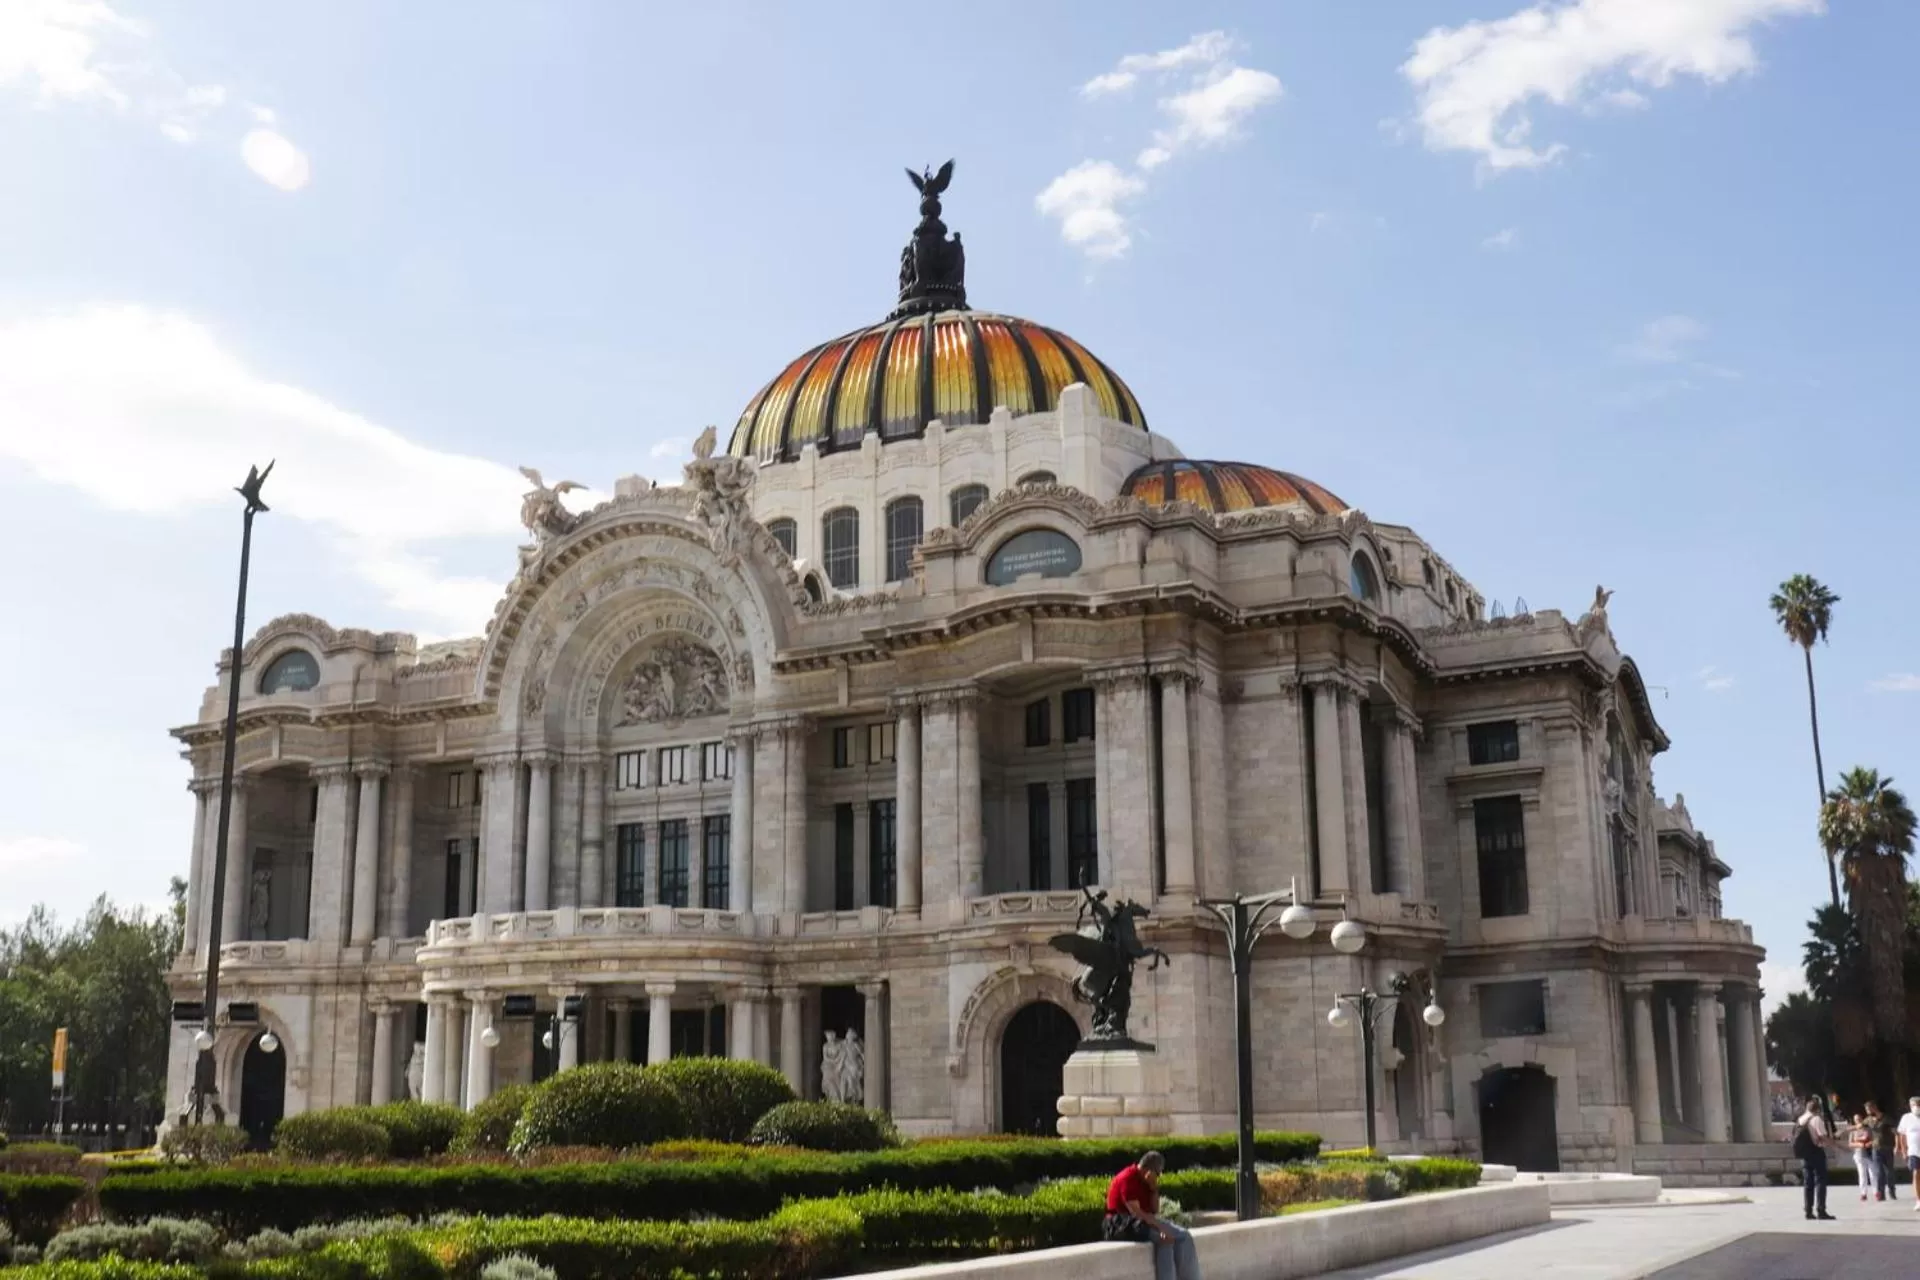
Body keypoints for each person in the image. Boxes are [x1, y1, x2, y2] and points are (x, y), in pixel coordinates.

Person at [1105, 1151, 1203, 1280]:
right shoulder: (1127, 1178)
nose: (1157, 1177)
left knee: (1184, 1235)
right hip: (1122, 1225)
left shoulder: (1146, 1182)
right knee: (1164, 1238)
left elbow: (1154, 1210)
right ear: (1149, 1170)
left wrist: (1153, 1188)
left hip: (1141, 1223)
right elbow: (1136, 1213)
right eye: (1157, 1174)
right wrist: (1161, 1227)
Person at [1793, 1096, 1835, 1221]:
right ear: (1818, 1109)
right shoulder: (1816, 1119)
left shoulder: (1800, 1119)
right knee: (1820, 1181)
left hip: (1804, 1154)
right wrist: (1833, 1144)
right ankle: (1821, 1210)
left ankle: (1808, 1210)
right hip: (1816, 1152)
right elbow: (1822, 1136)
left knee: (1808, 1182)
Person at [1865, 1101, 1896, 1201]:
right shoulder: (1869, 1119)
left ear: (1874, 1108)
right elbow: (1858, 1126)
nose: (1867, 1112)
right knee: (1879, 1172)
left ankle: (1892, 1191)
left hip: (1887, 1147)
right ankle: (1880, 1193)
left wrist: (1898, 1145)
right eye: (1866, 1110)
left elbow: (1895, 1131)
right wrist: (1844, 1131)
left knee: (1889, 1171)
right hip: (1876, 1148)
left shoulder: (1886, 1118)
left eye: (1869, 1109)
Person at [1897, 1097, 1920, 1214]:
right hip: (1914, 1151)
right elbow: (1902, 1135)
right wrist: (1904, 1151)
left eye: (1918, 1104)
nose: (1916, 1107)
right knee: (1916, 1173)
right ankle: (1918, 1200)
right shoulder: (1906, 1118)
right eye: (1914, 1105)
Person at [1848, 1112, 1875, 1200]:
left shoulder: (1868, 1129)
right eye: (1856, 1119)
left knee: (1872, 1174)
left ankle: (1876, 1192)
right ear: (1854, 1121)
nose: (1858, 1121)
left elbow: (1873, 1140)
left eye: (1859, 1119)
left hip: (1869, 1153)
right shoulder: (1853, 1131)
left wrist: (1868, 1144)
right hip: (1859, 1154)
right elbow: (1850, 1144)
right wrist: (1859, 1144)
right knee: (1862, 1174)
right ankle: (1863, 1193)